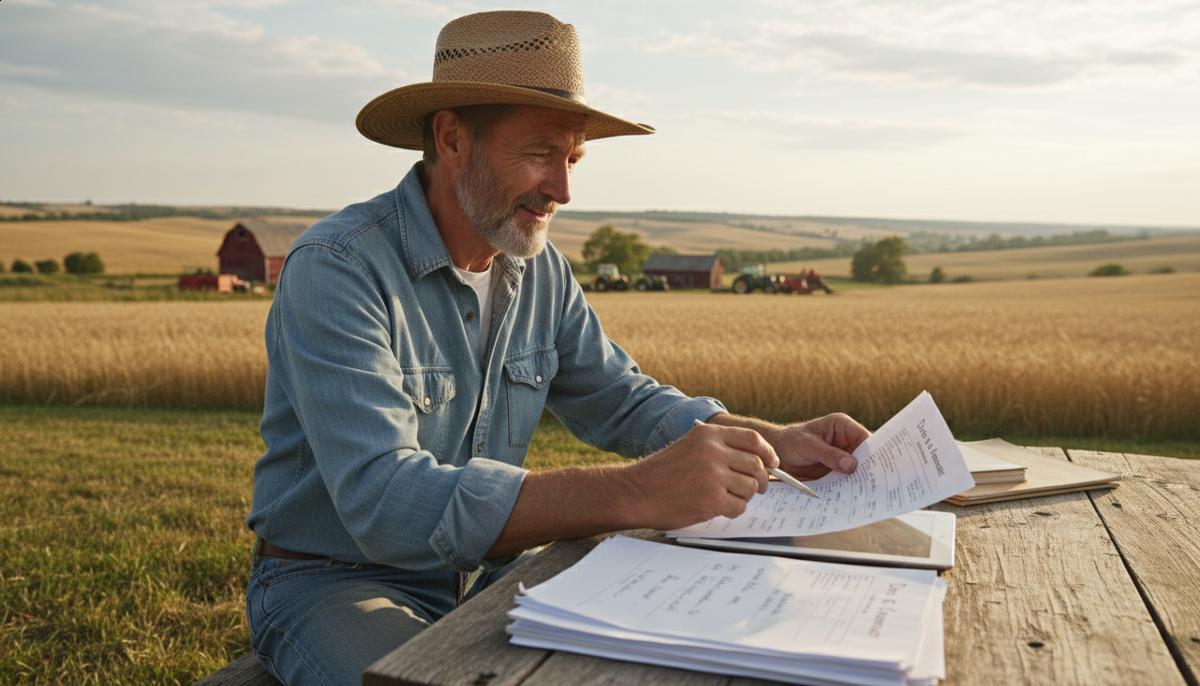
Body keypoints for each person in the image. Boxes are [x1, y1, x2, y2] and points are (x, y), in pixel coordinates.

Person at [244, 10, 869, 686]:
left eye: (571, 159)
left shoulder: (538, 270)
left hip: (481, 573)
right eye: (541, 153)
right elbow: (385, 501)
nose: (563, 190)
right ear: (452, 139)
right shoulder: (339, 266)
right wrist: (637, 490)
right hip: (331, 581)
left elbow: (622, 398)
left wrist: (766, 438)